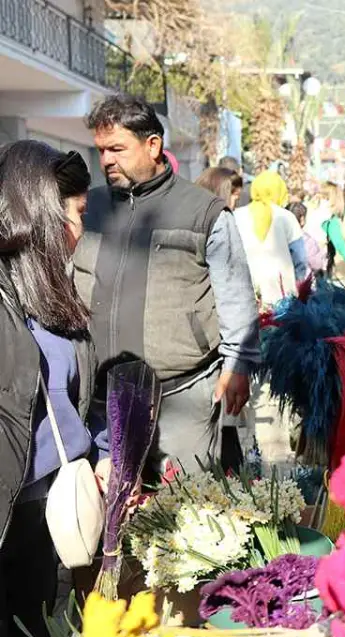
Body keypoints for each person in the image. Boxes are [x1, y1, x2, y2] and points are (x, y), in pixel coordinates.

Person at [74, 94, 260, 476]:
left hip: (181, 396)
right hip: (100, 400)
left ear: (153, 145)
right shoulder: (85, 209)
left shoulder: (204, 211)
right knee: (109, 519)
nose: (107, 159)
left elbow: (235, 294)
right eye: (102, 150)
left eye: (117, 149)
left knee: (184, 515)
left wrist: (239, 363)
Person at [0, 141, 104, 637]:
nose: (80, 230)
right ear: (39, 212)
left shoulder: (50, 290)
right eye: (77, 214)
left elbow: (77, 393)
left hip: (47, 510)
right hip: (8, 514)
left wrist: (102, 452)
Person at [231, 170, 309, 308]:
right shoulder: (287, 217)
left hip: (245, 294)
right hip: (282, 295)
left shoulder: (236, 216)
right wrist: (300, 286)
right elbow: (300, 258)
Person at [311, 181, 345, 276]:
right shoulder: (330, 219)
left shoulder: (314, 212)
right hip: (320, 268)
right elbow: (340, 245)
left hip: (310, 266)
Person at [287, 200, 327, 279]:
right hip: (303, 283)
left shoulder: (280, 236)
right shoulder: (307, 240)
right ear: (302, 219)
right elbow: (316, 264)